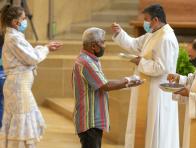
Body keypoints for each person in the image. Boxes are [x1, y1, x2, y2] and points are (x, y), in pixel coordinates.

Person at [111, 4, 179, 148]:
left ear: (155, 19)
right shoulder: (153, 33)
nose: (145, 23)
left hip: (157, 93)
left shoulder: (166, 38)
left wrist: (140, 61)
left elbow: (162, 68)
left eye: (147, 19)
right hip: (147, 89)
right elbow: (134, 44)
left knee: (154, 133)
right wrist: (120, 33)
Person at [0, 5, 62, 148]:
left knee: (25, 119)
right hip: (18, 87)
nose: (25, 21)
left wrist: (45, 47)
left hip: (20, 86)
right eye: (23, 18)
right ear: (16, 22)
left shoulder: (15, 37)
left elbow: (27, 55)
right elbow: (32, 58)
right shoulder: (13, 38)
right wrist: (46, 48)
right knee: (22, 120)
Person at [72, 27, 143, 148]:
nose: (105, 45)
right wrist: (129, 79)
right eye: (103, 42)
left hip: (92, 121)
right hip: (90, 121)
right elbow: (105, 85)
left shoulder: (90, 59)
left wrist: (127, 82)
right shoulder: (86, 62)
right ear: (94, 46)